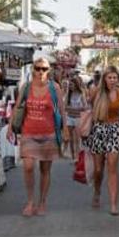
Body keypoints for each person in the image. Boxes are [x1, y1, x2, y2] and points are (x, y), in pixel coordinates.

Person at [18, 57, 69, 217]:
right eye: (38, 68)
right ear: (33, 69)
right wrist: (11, 126)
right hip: (28, 132)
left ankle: (42, 202)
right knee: (27, 166)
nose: (41, 72)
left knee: (45, 169)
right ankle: (30, 201)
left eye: (44, 69)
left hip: (48, 134)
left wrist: (65, 128)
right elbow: (18, 106)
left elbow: (61, 110)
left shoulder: (55, 88)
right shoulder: (26, 87)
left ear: (49, 71)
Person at [85, 66, 119, 215]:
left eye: (114, 78)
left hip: (114, 130)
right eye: (109, 77)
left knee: (112, 167)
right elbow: (88, 107)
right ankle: (97, 190)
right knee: (99, 169)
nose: (112, 80)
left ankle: (113, 204)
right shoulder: (96, 92)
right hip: (98, 129)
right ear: (104, 79)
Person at [65, 75, 88, 159]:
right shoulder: (69, 94)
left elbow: (85, 107)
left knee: (78, 138)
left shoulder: (81, 93)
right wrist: (77, 109)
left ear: (76, 85)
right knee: (70, 138)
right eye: (69, 85)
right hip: (70, 118)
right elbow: (65, 107)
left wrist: (73, 109)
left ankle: (78, 156)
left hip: (78, 118)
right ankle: (73, 156)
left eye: (72, 85)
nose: (70, 87)